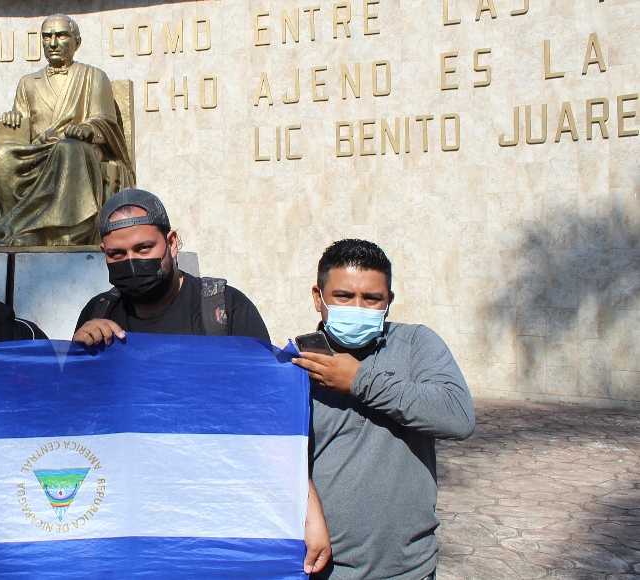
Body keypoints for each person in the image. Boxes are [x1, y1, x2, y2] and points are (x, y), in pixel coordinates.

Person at [72, 188, 331, 575]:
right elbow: (78, 423)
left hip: (216, 508)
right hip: (134, 516)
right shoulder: (98, 311)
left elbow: (264, 416)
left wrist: (308, 511)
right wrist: (82, 354)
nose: (131, 262)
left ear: (172, 243)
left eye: (143, 249)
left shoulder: (224, 309)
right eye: (117, 255)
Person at [292, 239, 475, 580]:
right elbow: (282, 458)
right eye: (344, 297)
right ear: (318, 298)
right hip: (323, 569)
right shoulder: (296, 363)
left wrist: (360, 380)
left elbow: (458, 417)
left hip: (408, 569)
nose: (358, 307)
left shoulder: (416, 345)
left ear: (389, 301)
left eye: (372, 298)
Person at [0, 13, 135, 247]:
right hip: (40, 150)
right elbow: (23, 125)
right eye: (47, 37)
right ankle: (15, 229)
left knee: (66, 149)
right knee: (2, 156)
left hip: (82, 149)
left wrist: (87, 130)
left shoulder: (94, 77)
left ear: (76, 42)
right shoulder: (28, 82)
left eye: (61, 36)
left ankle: (66, 232)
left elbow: (106, 121)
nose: (52, 43)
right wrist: (14, 118)